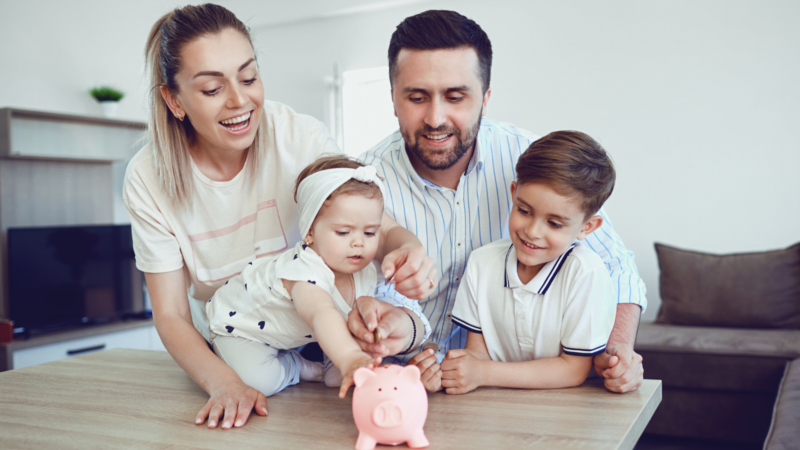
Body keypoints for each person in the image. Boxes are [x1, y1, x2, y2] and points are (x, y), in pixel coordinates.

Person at [124, 4, 435, 431]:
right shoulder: (148, 177)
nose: (239, 101)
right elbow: (171, 313)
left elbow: (371, 224)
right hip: (238, 342)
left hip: (316, 333)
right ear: (174, 100)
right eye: (212, 89)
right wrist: (225, 383)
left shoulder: (298, 137)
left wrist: (407, 247)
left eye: (249, 78)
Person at [347, 10, 646, 394]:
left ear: (485, 99)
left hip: (512, 387)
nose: (435, 118)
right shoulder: (362, 182)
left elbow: (616, 265)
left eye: (455, 97)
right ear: (393, 98)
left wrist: (618, 349)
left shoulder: (530, 159)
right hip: (399, 386)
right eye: (417, 97)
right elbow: (352, 292)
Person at [207, 155, 406, 399]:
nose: (359, 242)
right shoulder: (304, 271)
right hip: (239, 329)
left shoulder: (366, 271)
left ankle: (332, 363)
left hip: (293, 333)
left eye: (370, 232)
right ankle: (296, 366)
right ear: (309, 231)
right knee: (259, 382)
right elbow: (321, 313)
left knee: (339, 375)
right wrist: (350, 357)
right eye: (343, 232)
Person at [441, 131, 617, 393]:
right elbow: (477, 353)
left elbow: (574, 368)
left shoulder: (586, 273)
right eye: (524, 211)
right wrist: (455, 369)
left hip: (564, 408)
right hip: (493, 406)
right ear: (514, 194)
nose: (532, 231)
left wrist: (484, 372)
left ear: (587, 227)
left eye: (554, 223)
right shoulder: (481, 263)